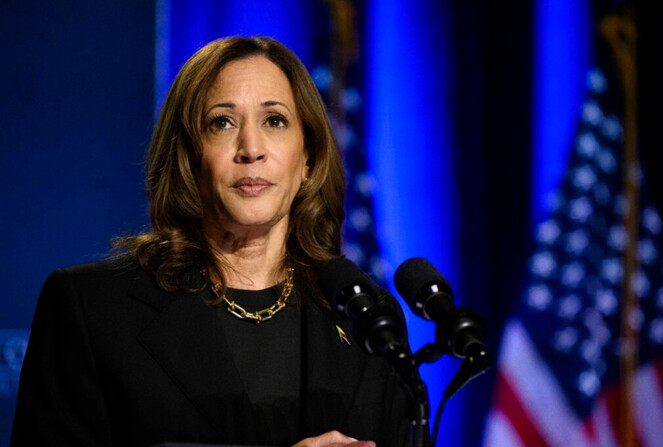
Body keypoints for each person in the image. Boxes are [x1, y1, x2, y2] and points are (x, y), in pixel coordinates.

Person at [11, 36, 412, 447]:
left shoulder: (366, 317)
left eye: (274, 121)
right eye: (222, 123)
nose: (251, 149)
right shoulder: (91, 307)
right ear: (187, 156)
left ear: (307, 157)